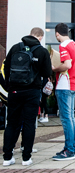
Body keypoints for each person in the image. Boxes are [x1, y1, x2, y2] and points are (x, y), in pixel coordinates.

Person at [3, 27, 52, 167]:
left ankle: (7, 157)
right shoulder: (41, 51)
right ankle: (26, 158)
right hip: (32, 91)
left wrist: (9, 86)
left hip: (14, 91)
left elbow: (6, 67)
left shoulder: (15, 48)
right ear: (40, 37)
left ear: (30, 34)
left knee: (12, 123)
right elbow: (47, 72)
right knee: (30, 123)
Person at [52, 23, 75, 161]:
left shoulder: (63, 45)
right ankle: (71, 148)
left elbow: (67, 64)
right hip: (72, 84)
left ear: (57, 34)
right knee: (70, 118)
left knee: (66, 119)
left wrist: (54, 69)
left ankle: (69, 150)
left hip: (64, 85)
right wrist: (73, 74)